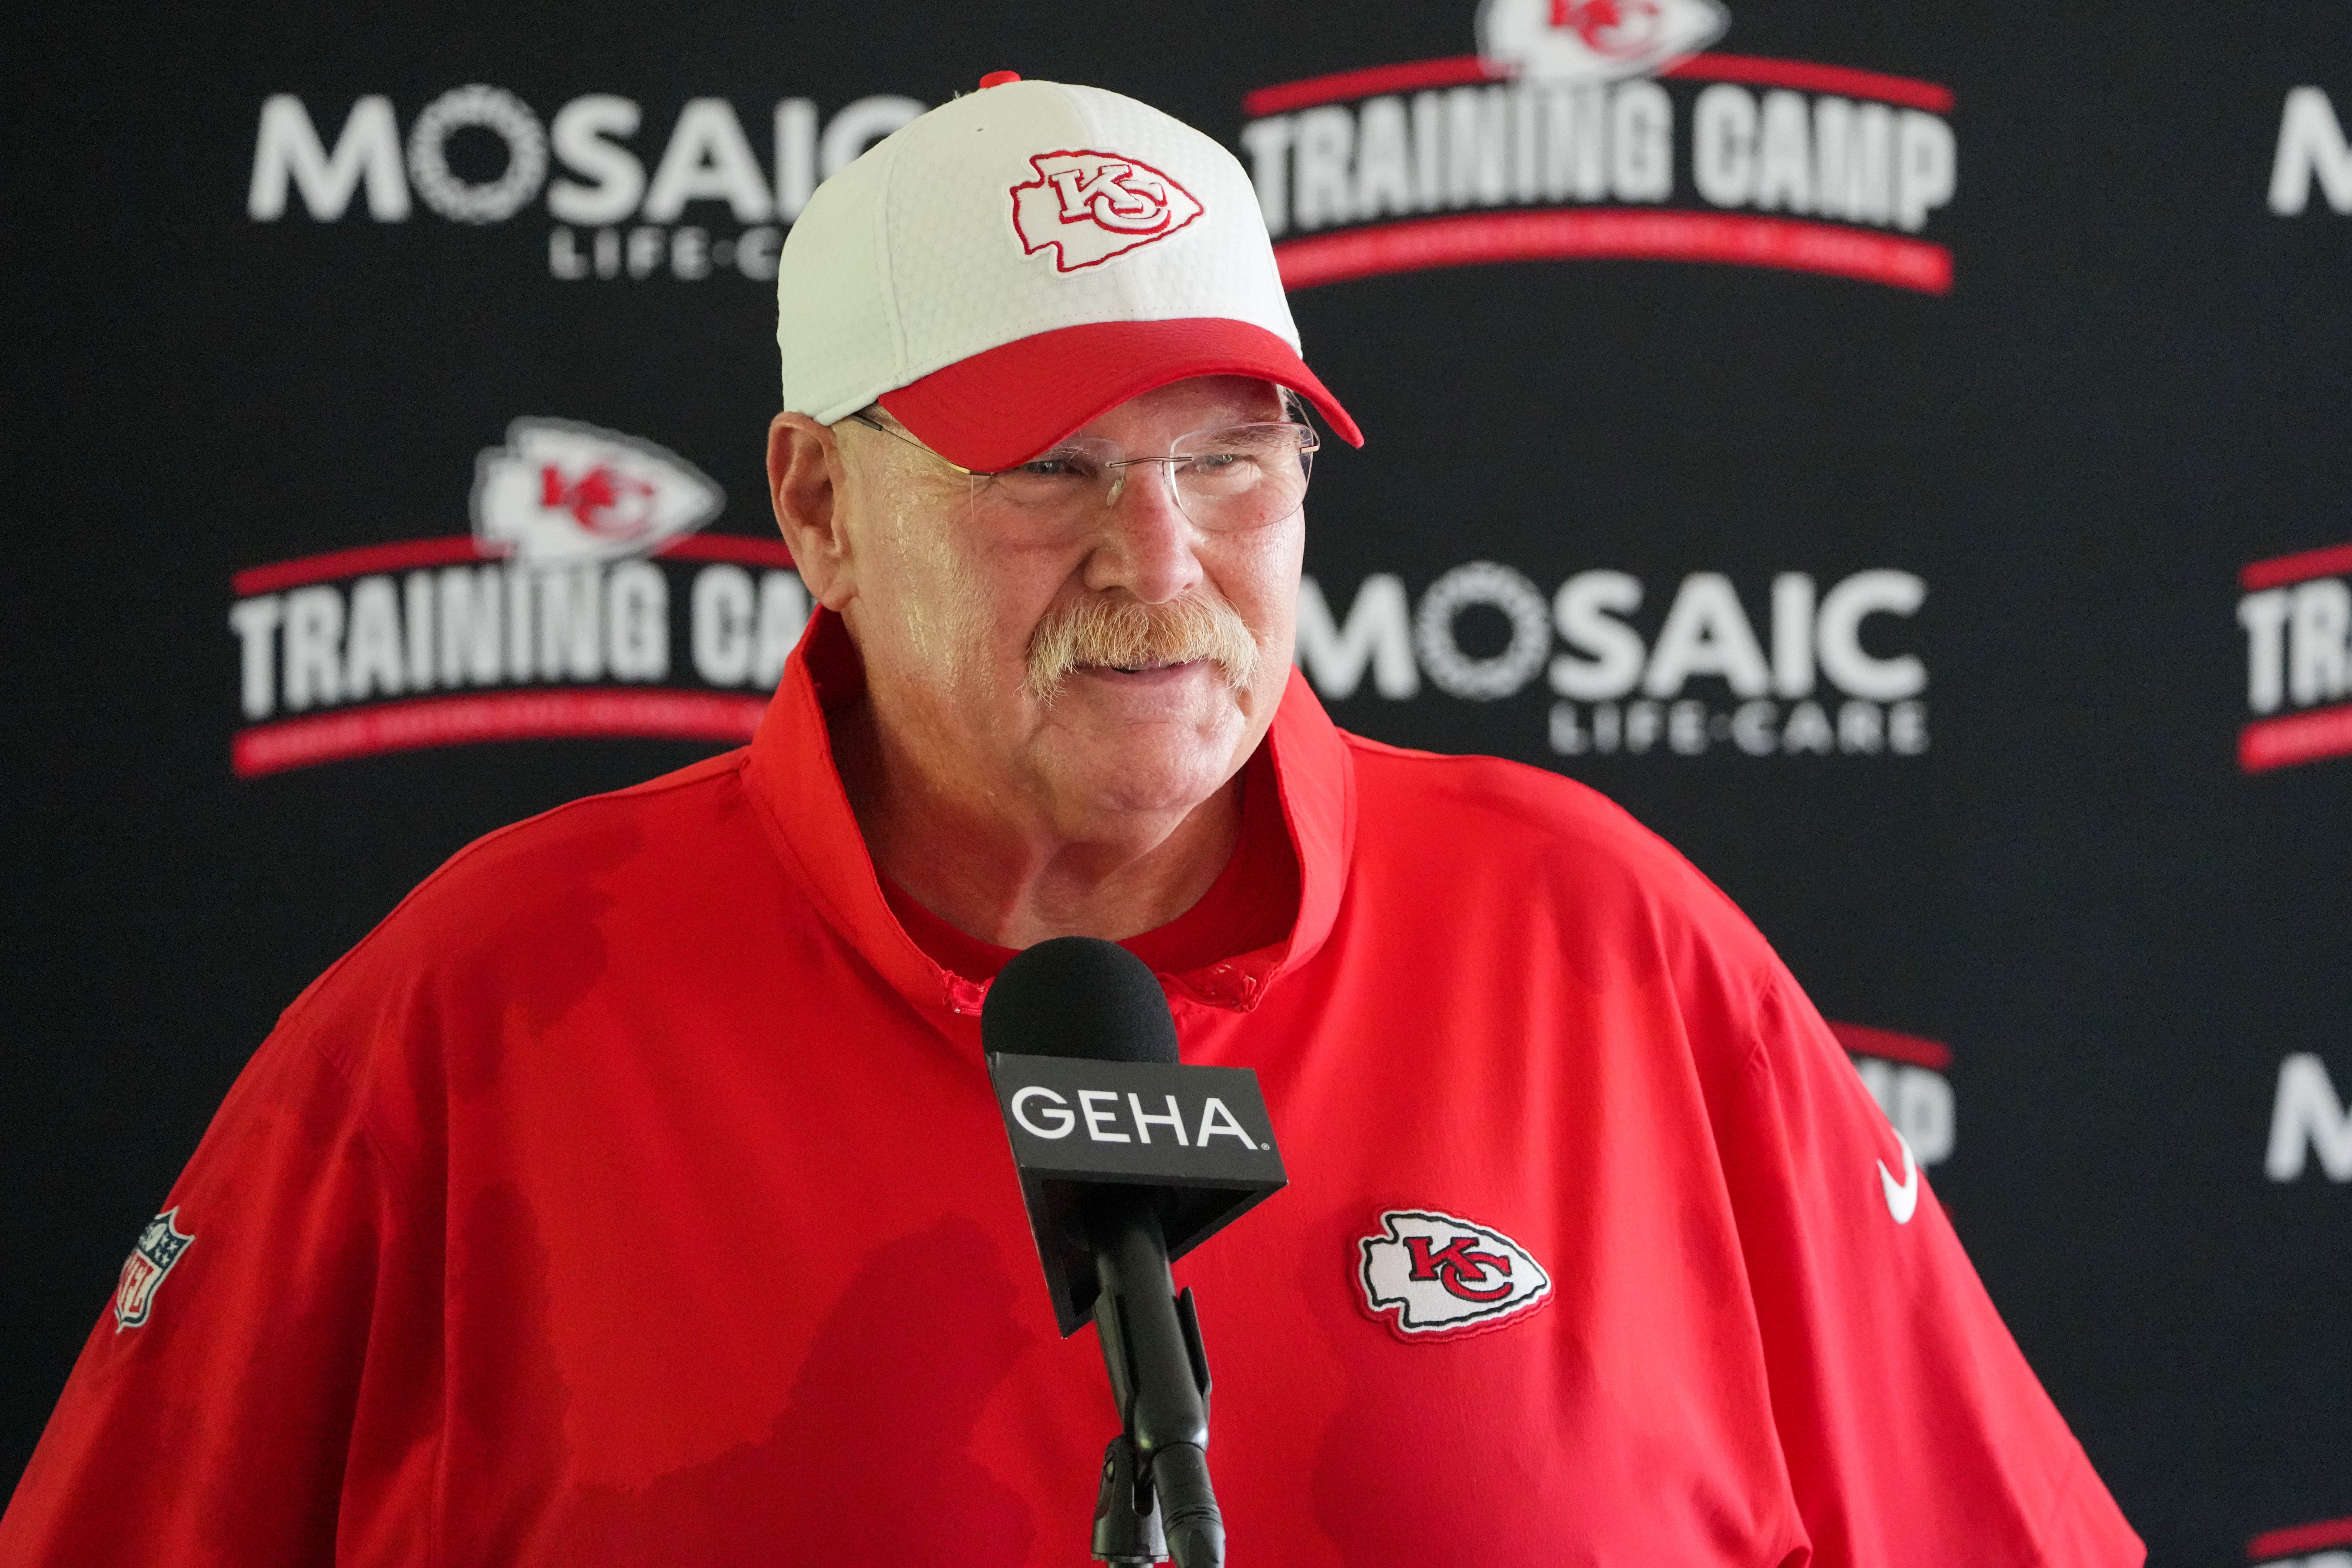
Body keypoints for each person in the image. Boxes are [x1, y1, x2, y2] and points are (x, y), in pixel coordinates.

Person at [1, 76, 2141, 1566]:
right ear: (819, 508)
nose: (1161, 554)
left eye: (1233, 456)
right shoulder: (478, 1001)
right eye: (1047, 467)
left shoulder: (1613, 946)